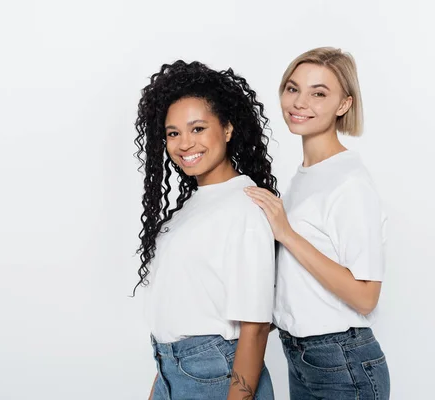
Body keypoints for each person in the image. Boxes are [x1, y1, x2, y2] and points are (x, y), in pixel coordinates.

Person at [245, 47, 390, 399]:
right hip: (301, 355)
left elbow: (366, 296)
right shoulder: (302, 178)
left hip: (342, 362)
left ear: (344, 105)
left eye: (319, 93)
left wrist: (287, 234)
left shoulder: (349, 181)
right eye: (293, 88)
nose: (299, 102)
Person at [133, 60, 278, 400]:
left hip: (217, 377)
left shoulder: (245, 205)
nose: (185, 144)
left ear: (227, 129)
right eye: (173, 133)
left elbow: (255, 328)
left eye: (197, 129)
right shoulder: (192, 208)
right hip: (173, 371)